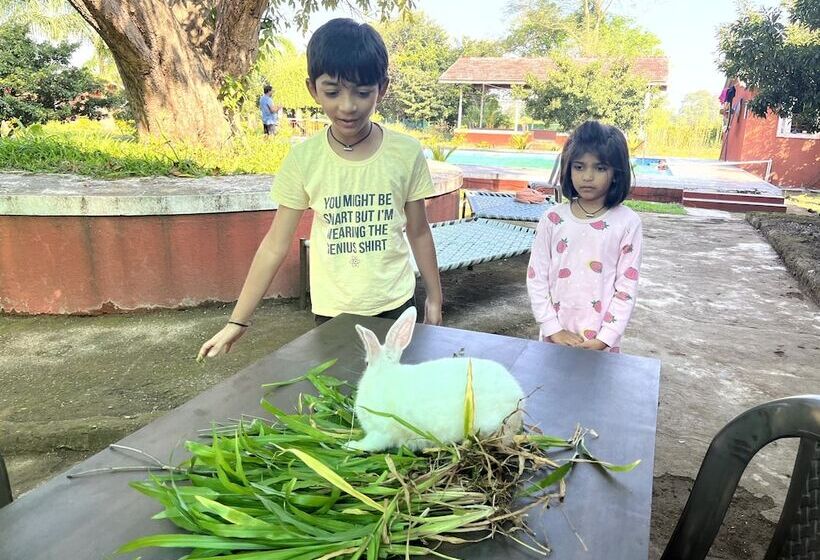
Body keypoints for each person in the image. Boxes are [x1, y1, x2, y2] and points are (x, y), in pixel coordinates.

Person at [199, 18, 443, 360]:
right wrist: (238, 321)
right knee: (338, 401)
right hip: (333, 310)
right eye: (332, 92)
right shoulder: (305, 159)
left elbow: (418, 231)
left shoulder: (405, 152)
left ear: (382, 88)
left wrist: (434, 297)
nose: (347, 106)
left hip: (395, 304)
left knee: (391, 400)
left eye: (362, 92)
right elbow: (275, 244)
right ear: (313, 88)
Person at [526, 120, 642, 353]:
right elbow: (536, 277)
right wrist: (552, 328)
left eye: (600, 168)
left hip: (601, 343)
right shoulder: (552, 219)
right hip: (554, 338)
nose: (587, 177)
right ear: (568, 169)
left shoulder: (627, 223)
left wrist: (605, 338)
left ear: (616, 173)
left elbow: (626, 287)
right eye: (579, 167)